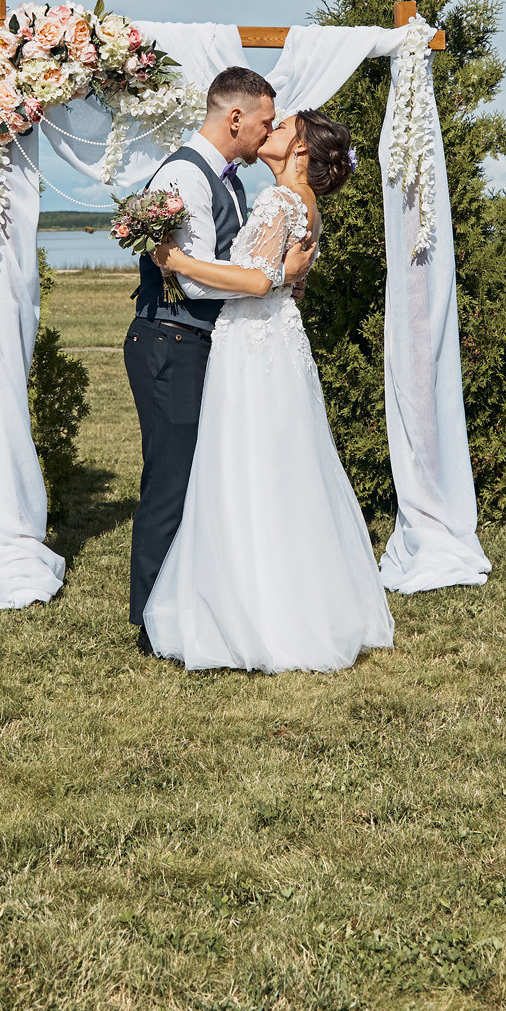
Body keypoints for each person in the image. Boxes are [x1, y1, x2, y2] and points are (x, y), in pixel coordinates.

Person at [140, 110, 392, 672]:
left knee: (245, 462)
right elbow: (280, 277)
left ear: (299, 150)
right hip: (274, 340)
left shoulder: (281, 201)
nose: (272, 131)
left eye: (284, 127)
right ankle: (286, 601)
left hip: (254, 340)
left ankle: (252, 613)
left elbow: (257, 280)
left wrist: (176, 260)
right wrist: (282, 277)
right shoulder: (306, 203)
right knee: (279, 464)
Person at [123, 67, 314, 650]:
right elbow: (201, 285)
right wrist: (276, 278)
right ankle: (153, 621)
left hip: (202, 345)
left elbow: (227, 265)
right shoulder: (186, 174)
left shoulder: (229, 180)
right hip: (171, 343)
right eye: (263, 121)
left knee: (203, 479)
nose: (267, 132)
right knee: (171, 481)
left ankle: (193, 606)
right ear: (236, 118)